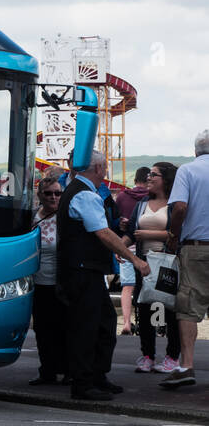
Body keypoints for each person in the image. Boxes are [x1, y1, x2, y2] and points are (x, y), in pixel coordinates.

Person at [56, 150, 149, 401]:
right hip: (82, 270)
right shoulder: (85, 194)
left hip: (85, 269)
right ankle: (83, 383)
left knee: (104, 323)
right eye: (105, 167)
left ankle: (96, 376)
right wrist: (134, 258)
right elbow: (103, 233)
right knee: (87, 327)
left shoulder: (78, 190)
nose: (106, 172)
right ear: (98, 169)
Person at [160, 130, 209, 389]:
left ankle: (187, 365)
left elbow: (179, 208)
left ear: (195, 150)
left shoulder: (188, 171)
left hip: (196, 247)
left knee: (189, 306)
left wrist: (174, 235)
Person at [123, 162, 181, 372]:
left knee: (170, 310)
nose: (148, 177)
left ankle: (172, 356)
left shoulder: (175, 205)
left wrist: (149, 235)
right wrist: (120, 249)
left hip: (166, 264)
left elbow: (179, 234)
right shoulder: (141, 205)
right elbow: (131, 232)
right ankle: (147, 355)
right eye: (148, 174)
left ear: (165, 179)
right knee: (144, 309)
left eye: (153, 174)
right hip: (144, 265)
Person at [30, 170, 68, 385]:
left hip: (60, 282)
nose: (53, 197)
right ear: (40, 195)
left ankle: (67, 369)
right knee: (43, 330)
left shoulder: (65, 218)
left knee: (64, 327)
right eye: (48, 194)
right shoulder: (32, 217)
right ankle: (47, 370)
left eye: (57, 193)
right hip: (38, 282)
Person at [116, 166, 150, 236]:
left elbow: (116, 219)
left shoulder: (121, 196)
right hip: (147, 237)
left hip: (125, 238)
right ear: (149, 181)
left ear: (134, 181)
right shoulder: (154, 197)